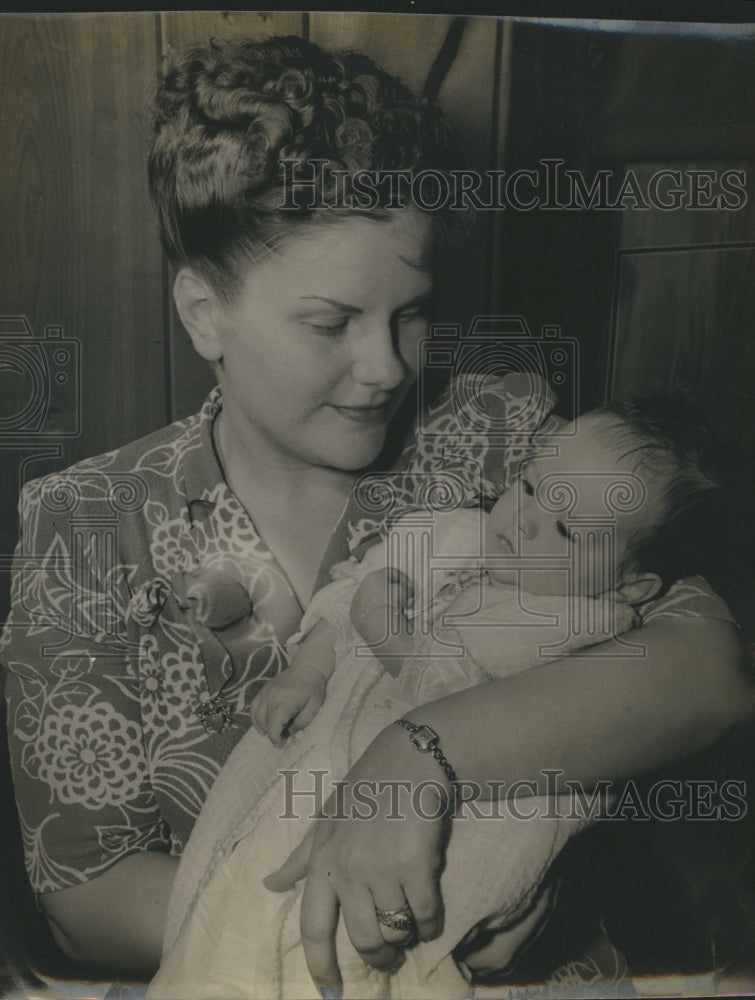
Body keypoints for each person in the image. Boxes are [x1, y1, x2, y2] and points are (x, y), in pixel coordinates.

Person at [0, 32, 751, 989]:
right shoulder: (88, 524)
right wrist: (397, 920)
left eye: (411, 313)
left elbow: (707, 671)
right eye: (332, 322)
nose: (389, 366)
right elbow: (84, 898)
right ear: (203, 313)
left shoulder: (495, 438)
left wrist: (420, 758)